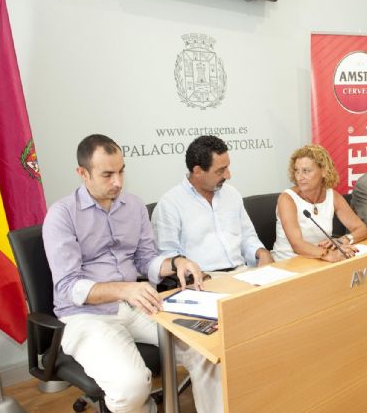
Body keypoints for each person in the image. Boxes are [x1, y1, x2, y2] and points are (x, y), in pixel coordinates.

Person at [43, 134, 218, 413]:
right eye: (107, 174)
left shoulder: (133, 206)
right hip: (86, 316)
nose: (118, 182)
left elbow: (145, 260)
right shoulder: (62, 215)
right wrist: (125, 289)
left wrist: (176, 262)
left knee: (208, 350)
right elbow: (68, 287)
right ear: (83, 173)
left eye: (121, 171)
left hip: (136, 304)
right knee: (130, 387)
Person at [151, 135, 273, 280]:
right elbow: (168, 257)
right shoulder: (170, 204)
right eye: (220, 171)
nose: (228, 175)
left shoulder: (232, 194)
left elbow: (247, 236)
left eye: (227, 167)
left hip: (242, 272)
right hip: (204, 278)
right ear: (197, 171)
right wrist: (194, 276)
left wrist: (261, 252)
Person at [273, 144, 367, 262]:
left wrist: (343, 240)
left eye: (306, 171)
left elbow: (362, 229)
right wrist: (330, 254)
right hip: (288, 263)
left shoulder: (332, 196)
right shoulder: (287, 199)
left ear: (323, 171)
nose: (299, 177)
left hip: (319, 261)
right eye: (297, 171)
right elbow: (297, 245)